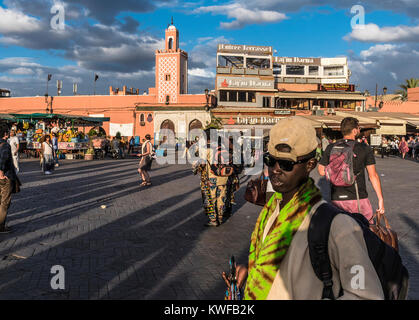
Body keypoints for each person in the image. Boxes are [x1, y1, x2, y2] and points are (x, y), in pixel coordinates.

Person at [221, 117, 383, 300]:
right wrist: (253, 271)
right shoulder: (271, 213)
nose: (275, 170)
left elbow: (366, 295)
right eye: (271, 160)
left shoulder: (336, 225)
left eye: (286, 164)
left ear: (310, 165)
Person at [318, 117, 384, 222]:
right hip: (358, 199)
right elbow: (373, 176)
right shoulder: (364, 148)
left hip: (336, 199)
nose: (359, 130)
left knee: (340, 232)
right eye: (358, 128)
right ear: (354, 131)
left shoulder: (331, 147)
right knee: (366, 231)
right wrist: (380, 199)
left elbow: (321, 171)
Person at [193, 130, 234, 227]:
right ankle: (220, 217)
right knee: (222, 197)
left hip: (211, 178)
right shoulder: (223, 147)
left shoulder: (205, 149)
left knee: (211, 198)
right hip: (224, 177)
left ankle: (213, 219)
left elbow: (202, 164)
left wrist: (196, 168)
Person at [0, 124, 19, 233]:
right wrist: (1, 173)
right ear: (5, 134)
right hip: (5, 177)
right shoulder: (5, 145)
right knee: (5, 202)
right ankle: (1, 226)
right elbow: (2, 160)